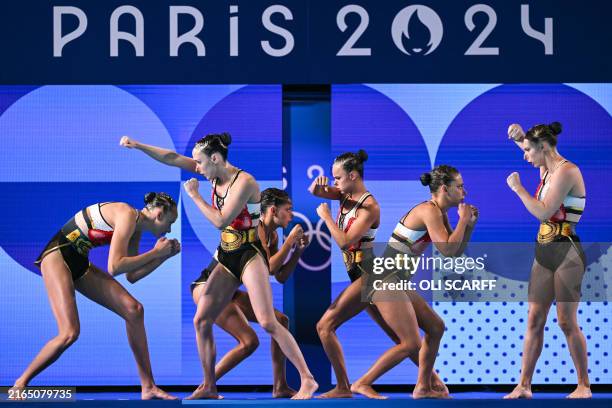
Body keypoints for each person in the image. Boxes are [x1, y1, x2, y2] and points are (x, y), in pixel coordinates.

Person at [120, 134, 318, 400]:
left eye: (200, 162)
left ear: (215, 158)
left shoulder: (244, 182)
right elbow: (172, 157)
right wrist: (139, 145)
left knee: (268, 321)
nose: (197, 168)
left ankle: (308, 379)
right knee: (201, 320)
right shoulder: (212, 174)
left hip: (249, 254)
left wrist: (194, 196)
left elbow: (220, 220)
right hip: (227, 255)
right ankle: (210, 386)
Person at [311, 152, 466, 399]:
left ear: (352, 176)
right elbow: (318, 193)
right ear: (446, 189)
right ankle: (359, 384)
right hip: (383, 276)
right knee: (407, 340)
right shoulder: (428, 210)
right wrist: (320, 190)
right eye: (460, 186)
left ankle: (424, 385)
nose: (464, 192)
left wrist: (466, 224)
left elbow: (452, 251)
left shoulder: (371, 205)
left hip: (381, 275)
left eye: (337, 177)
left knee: (430, 330)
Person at [11, 193, 180, 400]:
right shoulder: (127, 215)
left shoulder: (136, 227)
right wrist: (155, 253)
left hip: (79, 261)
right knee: (69, 333)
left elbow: (132, 275)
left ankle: (148, 387)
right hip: (57, 255)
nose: (169, 229)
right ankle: (20, 384)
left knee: (134, 310)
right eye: (170, 222)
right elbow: (114, 266)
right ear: (159, 214)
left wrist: (162, 257)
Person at [189, 188, 309, 398]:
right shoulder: (256, 229)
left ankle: (280, 386)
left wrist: (296, 252)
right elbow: (270, 267)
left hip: (231, 291)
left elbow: (280, 276)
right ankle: (207, 385)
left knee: (280, 321)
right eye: (288, 210)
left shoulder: (272, 236)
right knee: (249, 341)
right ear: (273, 210)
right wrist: (289, 242)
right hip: (207, 286)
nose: (291, 215)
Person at [504, 122, 590, 399]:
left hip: (567, 252)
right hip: (543, 251)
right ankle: (524, 386)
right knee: (534, 319)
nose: (524, 156)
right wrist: (520, 138)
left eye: (528, 150)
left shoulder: (567, 171)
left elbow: (543, 212)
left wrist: (518, 189)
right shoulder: (547, 168)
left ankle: (583, 386)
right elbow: (533, 149)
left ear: (543, 148)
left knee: (566, 321)